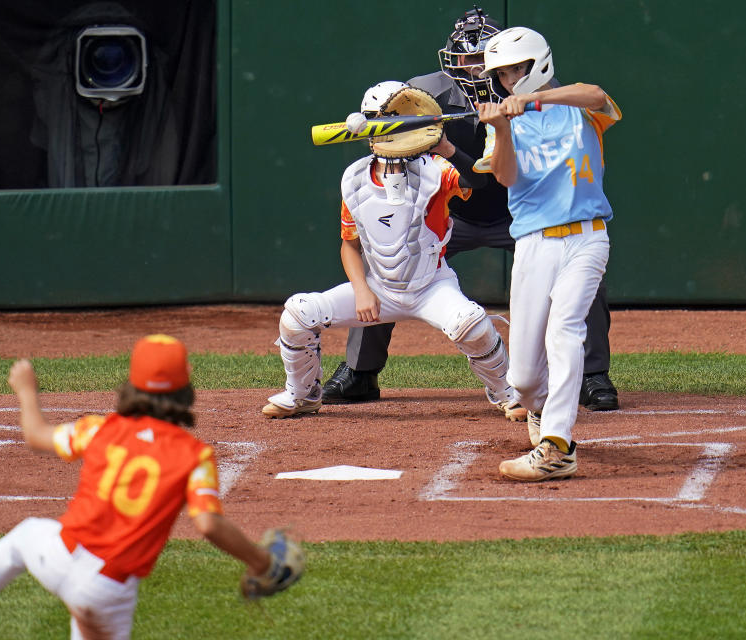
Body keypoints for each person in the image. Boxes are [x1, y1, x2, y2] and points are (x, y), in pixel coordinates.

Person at [321, 7, 620, 413]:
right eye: (468, 60)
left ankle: (593, 375)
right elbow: (397, 143)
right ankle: (360, 372)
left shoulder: (536, 93)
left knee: (584, 274)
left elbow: (591, 98)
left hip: (521, 213)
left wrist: (523, 104)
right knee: (390, 263)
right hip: (453, 211)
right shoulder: (425, 96)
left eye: (489, 62)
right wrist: (405, 132)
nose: (481, 69)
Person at [0, 334, 303, 639]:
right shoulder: (194, 455)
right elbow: (207, 524)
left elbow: (36, 435)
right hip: (109, 593)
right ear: (186, 389)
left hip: (59, 555)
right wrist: (262, 561)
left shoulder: (101, 428)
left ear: (132, 385)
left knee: (24, 537)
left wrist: (25, 390)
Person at [261, 82, 520, 420]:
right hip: (380, 289)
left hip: (432, 286)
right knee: (297, 315)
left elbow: (479, 181)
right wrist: (361, 289)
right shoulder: (354, 178)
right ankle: (303, 394)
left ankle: (506, 392)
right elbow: (349, 246)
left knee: (471, 324)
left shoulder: (435, 169)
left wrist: (446, 147)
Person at [474, 26, 622, 481]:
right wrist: (501, 127)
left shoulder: (579, 109)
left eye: (517, 69)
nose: (509, 81)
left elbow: (595, 94)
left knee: (566, 330)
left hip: (586, 237)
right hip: (534, 243)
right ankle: (539, 412)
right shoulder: (507, 120)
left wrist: (536, 101)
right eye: (502, 75)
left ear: (539, 63)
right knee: (522, 379)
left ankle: (558, 446)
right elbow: (505, 178)